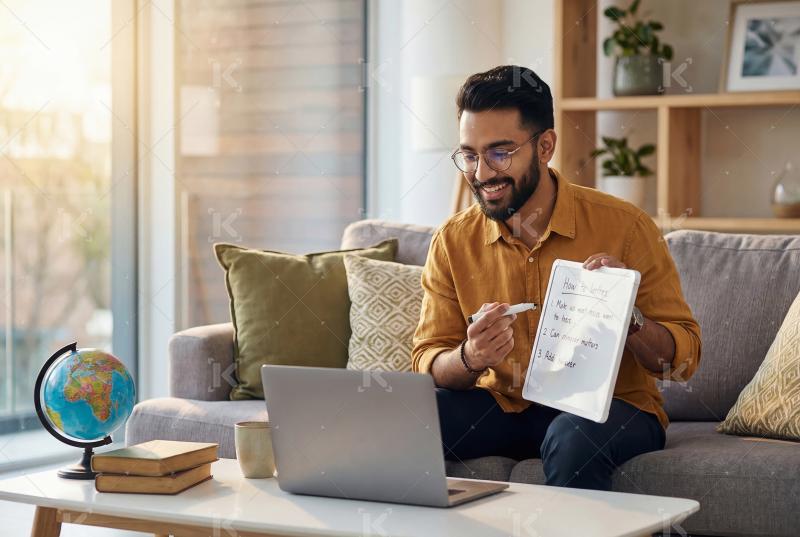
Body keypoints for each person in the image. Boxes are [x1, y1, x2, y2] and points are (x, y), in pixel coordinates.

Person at [411, 65, 702, 491]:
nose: (482, 174)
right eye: (470, 155)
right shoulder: (453, 241)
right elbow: (428, 360)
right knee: (410, 418)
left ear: (545, 146)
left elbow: (682, 362)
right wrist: (471, 356)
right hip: (504, 407)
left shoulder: (626, 226)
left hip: (608, 411)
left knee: (572, 438)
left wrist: (629, 316)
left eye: (500, 153)